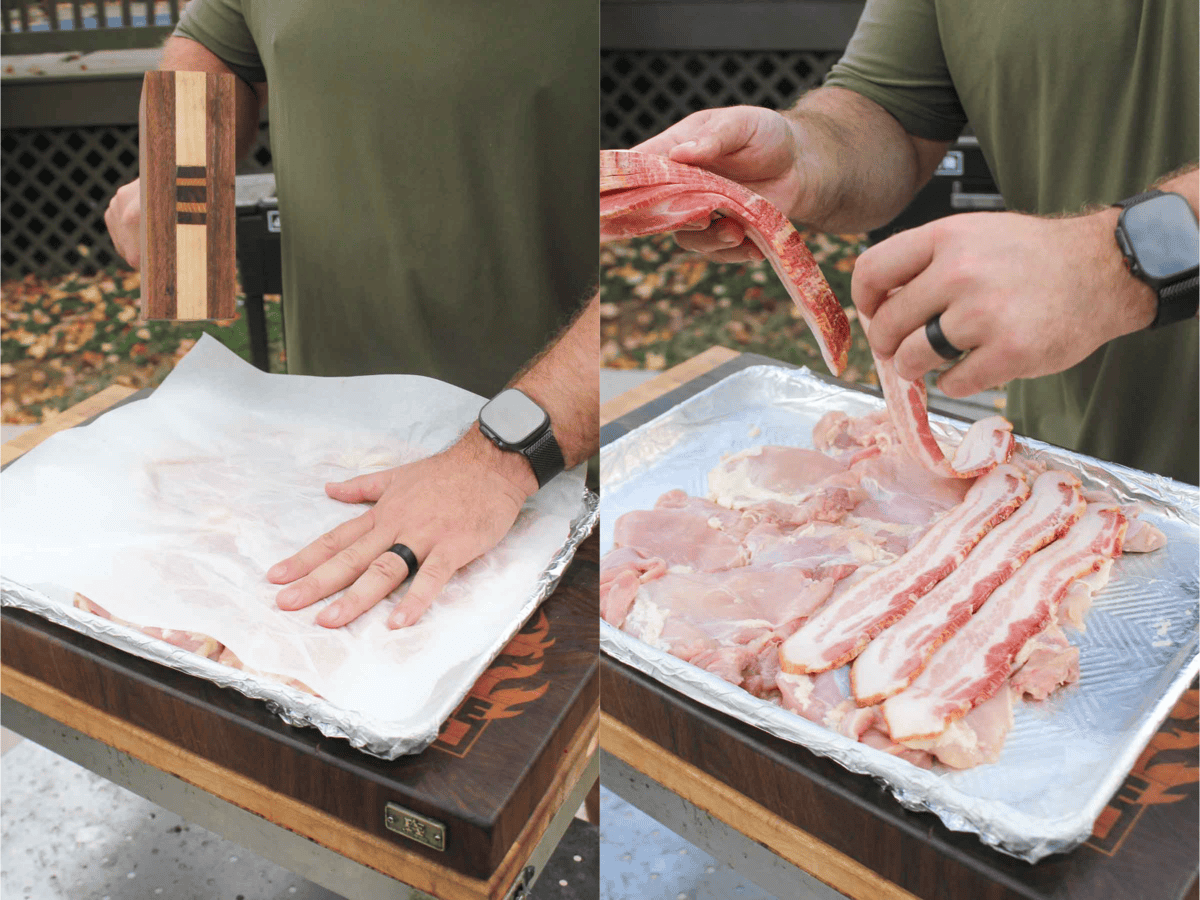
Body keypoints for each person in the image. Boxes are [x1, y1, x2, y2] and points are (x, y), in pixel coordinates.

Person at [105, 1, 599, 628]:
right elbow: (225, 43)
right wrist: (180, 175)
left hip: (554, 472)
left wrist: (503, 457)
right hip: (336, 456)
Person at [634, 0, 1198, 485]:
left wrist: (1111, 262)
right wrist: (805, 156)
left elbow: (1101, 265)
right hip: (1071, 464)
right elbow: (892, 112)